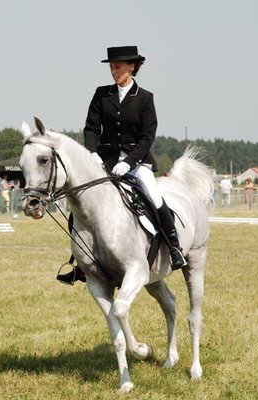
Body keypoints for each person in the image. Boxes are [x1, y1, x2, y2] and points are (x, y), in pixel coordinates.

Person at [83, 45, 187, 270]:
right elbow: (91, 129)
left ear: (132, 67)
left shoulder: (145, 98)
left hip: (136, 162)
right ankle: (81, 258)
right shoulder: (102, 94)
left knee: (153, 196)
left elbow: (147, 136)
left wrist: (128, 162)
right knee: (85, 199)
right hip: (105, 161)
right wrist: (92, 153)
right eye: (111, 67)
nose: (114, 71)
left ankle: (174, 247)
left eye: (118, 67)